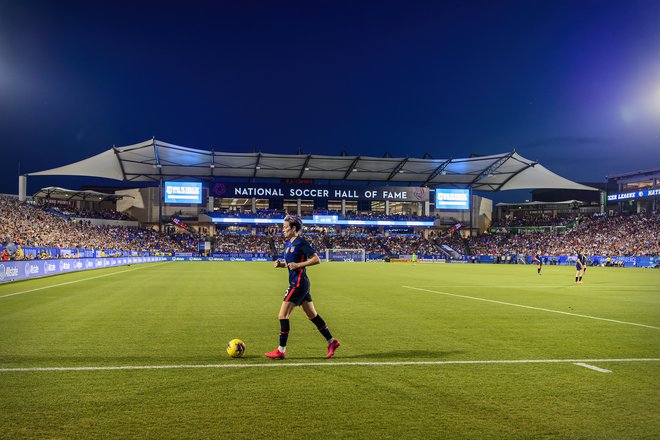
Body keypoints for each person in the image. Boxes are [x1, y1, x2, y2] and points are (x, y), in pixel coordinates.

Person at [265, 215, 340, 360]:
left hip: (298, 283)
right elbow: (291, 263)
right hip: (299, 282)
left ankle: (281, 351)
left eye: (285, 227)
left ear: (293, 229)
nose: (283, 230)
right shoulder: (288, 244)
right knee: (312, 315)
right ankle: (332, 342)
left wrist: (298, 265)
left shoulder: (301, 242)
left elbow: (316, 259)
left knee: (282, 315)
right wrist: (281, 264)